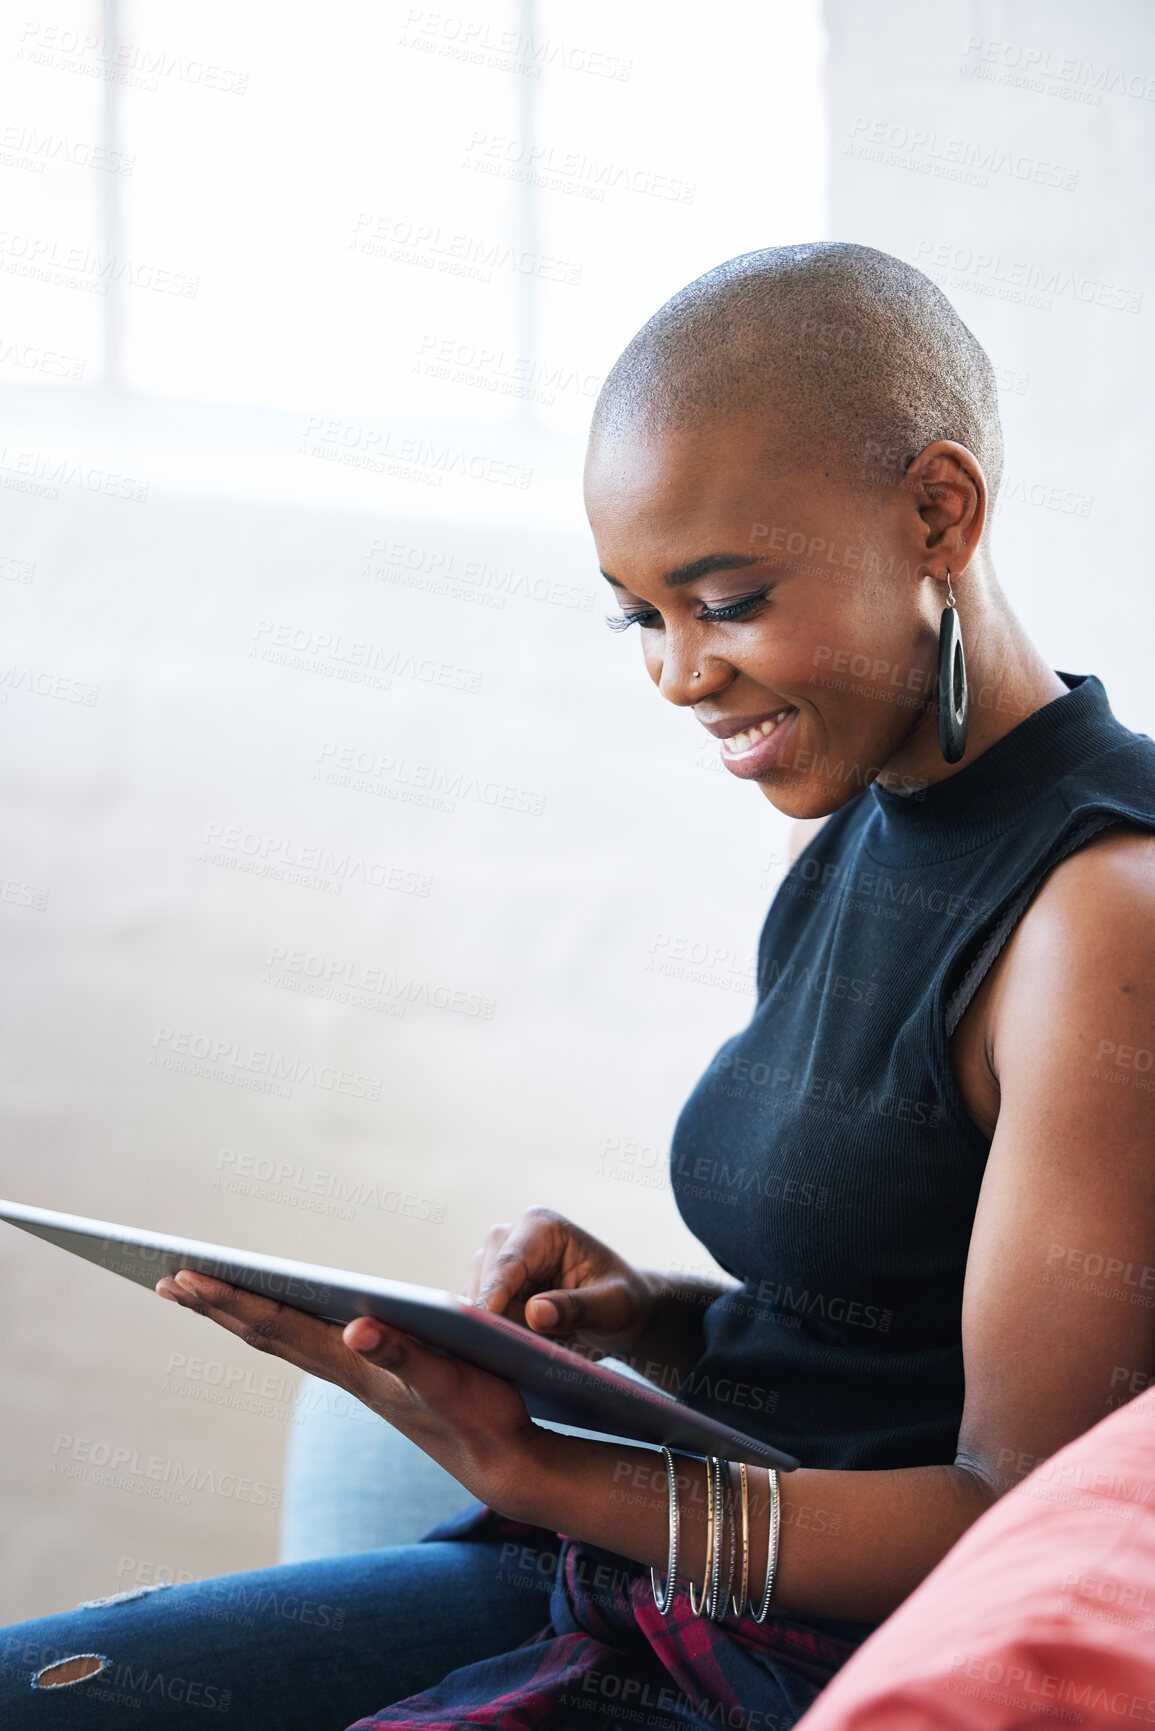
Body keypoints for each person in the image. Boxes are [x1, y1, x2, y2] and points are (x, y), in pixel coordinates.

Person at [4, 241, 1154, 1730]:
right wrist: (652, 1320)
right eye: (642, 617)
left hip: (783, 1644)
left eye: (726, 601)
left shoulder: (1102, 920)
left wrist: (550, 1469)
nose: (680, 676)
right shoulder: (883, 800)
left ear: (939, 511)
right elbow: (891, 1320)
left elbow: (1020, 1525)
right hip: (642, 1568)